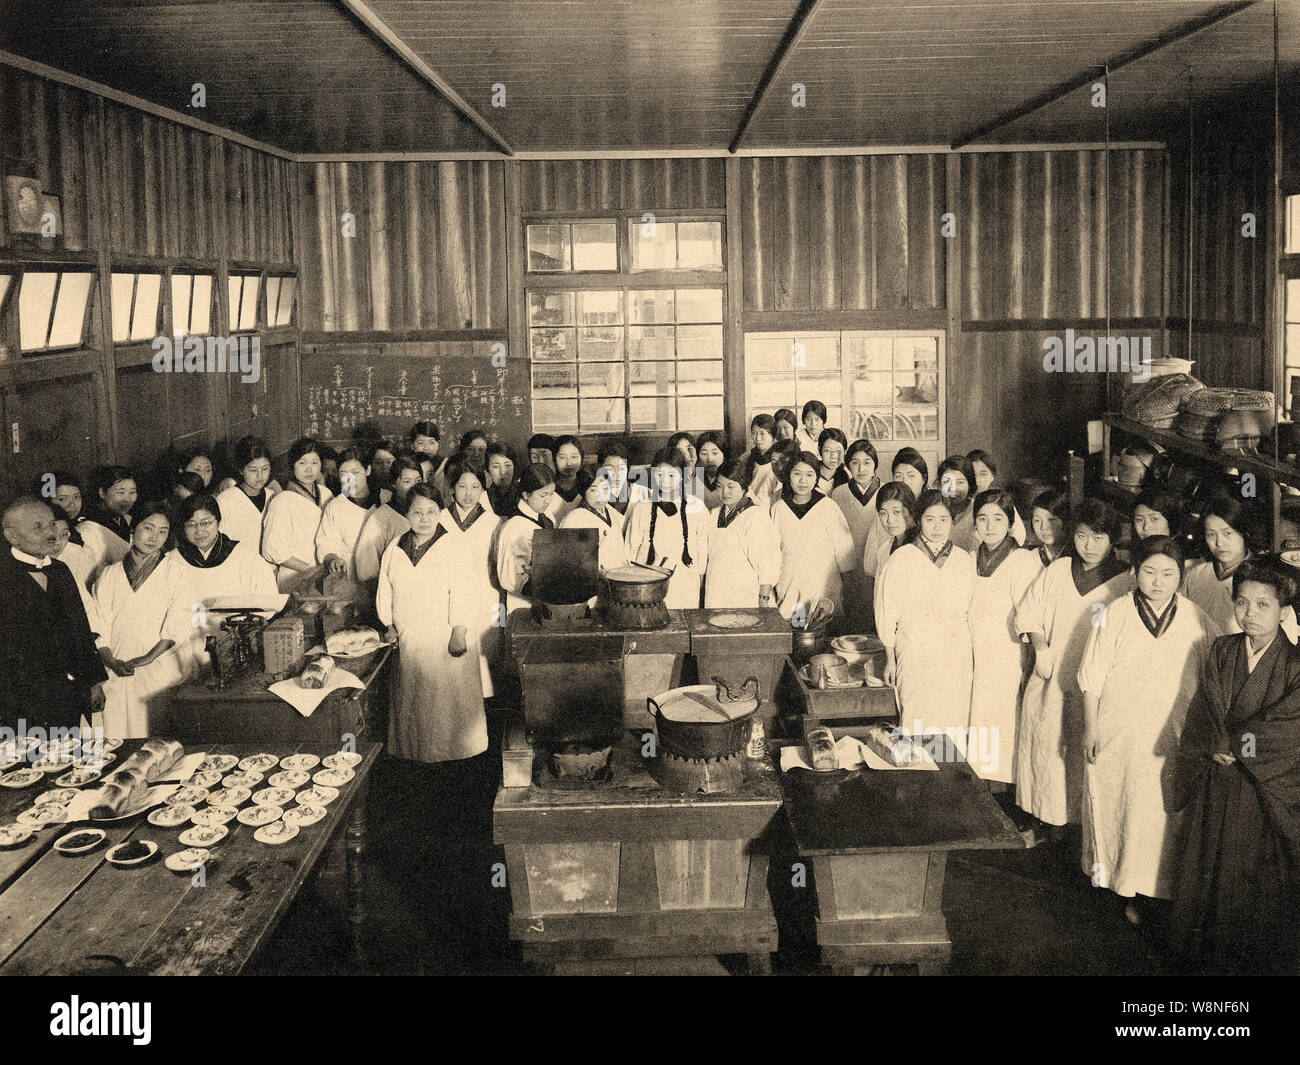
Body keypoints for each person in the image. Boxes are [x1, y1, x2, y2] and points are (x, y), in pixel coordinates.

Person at [1077, 535, 1219, 920]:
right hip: (1118, 731)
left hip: (1171, 736)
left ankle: (1158, 893)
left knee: (1161, 815)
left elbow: (1215, 681)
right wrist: (1091, 728)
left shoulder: (1197, 618)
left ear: (1180, 576)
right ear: (1134, 572)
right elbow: (1091, 677)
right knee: (1117, 806)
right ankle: (1118, 885)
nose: (1158, 581)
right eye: (1149, 572)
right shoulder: (1114, 612)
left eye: (1168, 573)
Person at [1169, 557, 1300, 974]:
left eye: (1264, 605)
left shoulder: (1295, 665)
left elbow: (1288, 726)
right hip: (1216, 776)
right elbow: (1203, 707)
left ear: (1284, 610)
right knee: (1207, 863)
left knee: (1253, 874)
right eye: (1242, 603)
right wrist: (1211, 743)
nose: (1250, 614)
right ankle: (1202, 954)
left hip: (1261, 788)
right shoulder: (1222, 649)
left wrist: (1233, 745)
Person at [1015, 499, 1132, 833]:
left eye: (1098, 538)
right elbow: (1029, 611)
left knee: (1084, 753)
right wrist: (1040, 646)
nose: (1089, 546)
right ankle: (1048, 822)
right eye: (1082, 536)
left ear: (1112, 540)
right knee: (1049, 748)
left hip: (1096, 687)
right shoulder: (1058, 570)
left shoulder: (1123, 581)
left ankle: (1081, 831)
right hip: (1053, 676)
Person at [378, 484, 487, 764]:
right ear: (407, 514)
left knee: (447, 710)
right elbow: (385, 589)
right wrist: (387, 623)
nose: (424, 519)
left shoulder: (455, 545)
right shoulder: (396, 546)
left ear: (440, 512)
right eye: (417, 512)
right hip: (410, 639)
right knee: (416, 708)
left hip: (445, 638)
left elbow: (466, 591)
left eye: (431, 512)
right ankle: (418, 760)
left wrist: (459, 630)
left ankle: (455, 764)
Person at [0, 496, 107, 734]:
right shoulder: (3, 575)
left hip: (67, 695)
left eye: (51, 525)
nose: (50, 533)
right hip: (18, 702)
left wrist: (94, 683)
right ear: (12, 535)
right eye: (38, 527)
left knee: (67, 761)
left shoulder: (61, 571)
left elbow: (80, 628)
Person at [875, 488, 975, 739]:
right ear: (918, 520)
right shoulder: (901, 558)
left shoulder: (964, 560)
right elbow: (887, 612)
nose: (937, 527)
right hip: (914, 650)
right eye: (930, 519)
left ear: (953, 521)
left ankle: (949, 775)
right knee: (917, 718)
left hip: (955, 652)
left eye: (944, 520)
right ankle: (918, 775)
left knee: (953, 720)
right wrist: (890, 657)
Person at [93, 501, 194, 737]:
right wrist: (111, 660)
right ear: (133, 528)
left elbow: (177, 623)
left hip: (157, 669)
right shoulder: (109, 574)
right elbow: (98, 624)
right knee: (117, 736)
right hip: (116, 667)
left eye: (163, 531)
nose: (154, 537)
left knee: (156, 737)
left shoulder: (175, 572)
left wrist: (148, 657)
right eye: (148, 528)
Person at [967, 489, 1043, 784]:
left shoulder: (1022, 561)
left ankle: (1006, 798)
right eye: (982, 519)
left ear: (1011, 524)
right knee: (981, 726)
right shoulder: (971, 558)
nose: (989, 526)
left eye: (998, 519)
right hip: (977, 656)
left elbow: (1032, 617)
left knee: (1006, 727)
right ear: (974, 525)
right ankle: (984, 792)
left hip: (1008, 657)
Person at [171, 493, 278, 673]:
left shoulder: (244, 556)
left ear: (219, 522)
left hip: (236, 645)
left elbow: (268, 602)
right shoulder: (172, 561)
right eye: (191, 524)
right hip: (184, 651)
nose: (199, 531)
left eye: (206, 523)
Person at [1181, 495, 1297, 640]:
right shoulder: (1196, 574)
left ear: (1243, 533)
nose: (1219, 543)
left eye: (1227, 533)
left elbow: (1288, 633)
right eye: (1211, 534)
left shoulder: (1264, 576)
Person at [436, 458, 501, 700]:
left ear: (483, 490)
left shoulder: (494, 523)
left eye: (475, 487)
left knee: (484, 664)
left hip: (485, 596)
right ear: (452, 488)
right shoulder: (439, 519)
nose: (468, 493)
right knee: (450, 665)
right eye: (462, 486)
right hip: (446, 598)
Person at [772, 451, 855, 626]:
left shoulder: (828, 506)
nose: (803, 481)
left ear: (816, 478)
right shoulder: (778, 509)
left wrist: (847, 588)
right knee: (796, 634)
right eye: (797, 474)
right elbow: (771, 551)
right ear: (788, 475)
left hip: (824, 586)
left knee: (823, 634)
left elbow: (844, 551)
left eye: (809, 475)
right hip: (790, 585)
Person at [624, 448, 711, 610]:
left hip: (686, 585)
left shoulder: (698, 508)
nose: (664, 480)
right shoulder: (642, 508)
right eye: (659, 474)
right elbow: (630, 550)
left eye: (671, 475)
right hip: (647, 585)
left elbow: (702, 552)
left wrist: (698, 584)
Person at [703, 458, 781, 609]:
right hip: (716, 592)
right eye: (719, 487)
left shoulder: (756, 515)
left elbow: (768, 561)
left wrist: (763, 598)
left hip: (746, 594)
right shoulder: (714, 514)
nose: (724, 492)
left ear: (744, 487)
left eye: (731, 486)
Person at [261, 437, 334, 590]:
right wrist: (309, 569)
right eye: (302, 463)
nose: (309, 469)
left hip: (324, 576)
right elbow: (272, 549)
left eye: (315, 462)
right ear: (292, 466)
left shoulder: (326, 494)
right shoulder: (282, 500)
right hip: (293, 578)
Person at [831, 439, 881, 634]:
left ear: (875, 464)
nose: (861, 468)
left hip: (877, 566)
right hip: (848, 570)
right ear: (847, 465)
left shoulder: (886, 491)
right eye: (855, 462)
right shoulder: (838, 494)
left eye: (867, 462)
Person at [496, 463, 558, 615]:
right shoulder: (514, 527)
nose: (548, 501)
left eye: (551, 494)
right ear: (525, 494)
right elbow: (509, 577)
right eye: (543, 495)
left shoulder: (548, 517)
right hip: (522, 604)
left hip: (548, 600)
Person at [863, 448, 929, 582]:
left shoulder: (932, 510)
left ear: (924, 479)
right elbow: (872, 563)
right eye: (899, 476)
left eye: (911, 476)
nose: (904, 482)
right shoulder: (886, 507)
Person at [941, 453, 1026, 553]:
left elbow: (1018, 536)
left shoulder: (998, 504)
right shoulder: (940, 506)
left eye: (983, 474)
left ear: (992, 476)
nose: (977, 480)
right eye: (973, 475)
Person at [315, 447, 376, 580]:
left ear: (367, 470)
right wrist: (333, 559)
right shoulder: (336, 506)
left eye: (355, 473)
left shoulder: (385, 499)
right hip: (350, 576)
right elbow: (326, 543)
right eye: (344, 474)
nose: (350, 480)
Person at [560, 465, 630, 579]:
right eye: (593, 490)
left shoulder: (612, 513)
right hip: (592, 583)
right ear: (583, 491)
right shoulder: (574, 519)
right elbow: (570, 563)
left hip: (619, 580)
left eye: (605, 489)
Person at [215, 436, 277, 552]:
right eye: (253, 470)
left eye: (265, 469)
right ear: (241, 470)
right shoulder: (226, 500)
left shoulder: (273, 497)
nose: (260, 476)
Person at [80, 465, 136, 585]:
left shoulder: (124, 520)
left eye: (132, 492)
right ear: (102, 493)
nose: (127, 499)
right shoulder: (89, 528)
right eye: (121, 492)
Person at [597, 441, 648, 515]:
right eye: (609, 469)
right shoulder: (594, 495)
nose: (616, 474)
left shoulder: (643, 493)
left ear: (627, 469)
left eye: (621, 469)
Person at [1025, 487, 1069, 568]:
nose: (1044, 527)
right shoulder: (1029, 559)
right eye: (1037, 520)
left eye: (1051, 519)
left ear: (1064, 520)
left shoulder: (1076, 557)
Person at [550, 434, 584, 523]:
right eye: (562, 457)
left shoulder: (588, 485)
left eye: (574, 457)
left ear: (581, 458)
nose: (569, 463)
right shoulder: (549, 485)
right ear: (554, 459)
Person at [744, 414, 778, 503]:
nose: (758, 438)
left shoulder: (779, 460)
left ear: (773, 435)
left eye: (762, 433)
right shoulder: (747, 457)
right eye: (754, 433)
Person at [694, 431, 727, 510]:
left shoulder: (733, 477)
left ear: (724, 455)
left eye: (715, 453)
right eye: (704, 454)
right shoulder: (694, 479)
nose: (710, 459)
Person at [484, 441, 517, 515]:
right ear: (488, 470)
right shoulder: (483, 496)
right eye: (495, 466)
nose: (502, 472)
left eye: (508, 465)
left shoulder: (524, 493)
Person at [815, 428, 850, 496]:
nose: (833, 456)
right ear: (819, 450)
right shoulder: (810, 473)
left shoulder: (847, 477)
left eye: (838, 451)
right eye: (827, 450)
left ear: (845, 451)